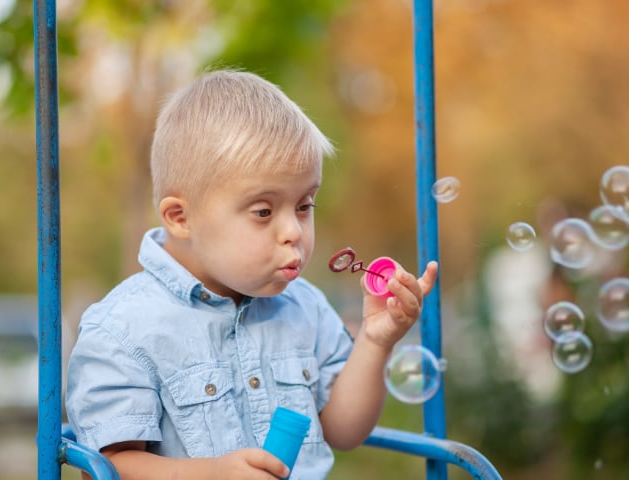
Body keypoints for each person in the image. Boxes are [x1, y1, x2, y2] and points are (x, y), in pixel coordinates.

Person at [65, 69, 438, 479]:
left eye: (304, 205)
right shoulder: (124, 329)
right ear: (180, 217)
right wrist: (212, 474)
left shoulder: (306, 307)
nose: (294, 231)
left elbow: (344, 430)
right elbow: (107, 466)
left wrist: (374, 340)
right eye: (263, 211)